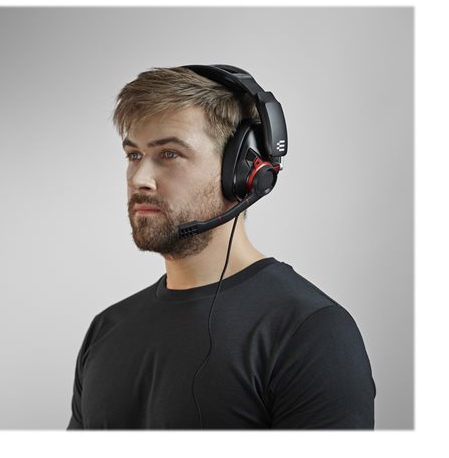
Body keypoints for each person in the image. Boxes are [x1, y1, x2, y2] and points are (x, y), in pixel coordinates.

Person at [66, 65, 376, 430]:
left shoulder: (311, 332)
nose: (140, 179)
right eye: (134, 155)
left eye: (169, 154)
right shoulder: (107, 329)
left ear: (241, 172)